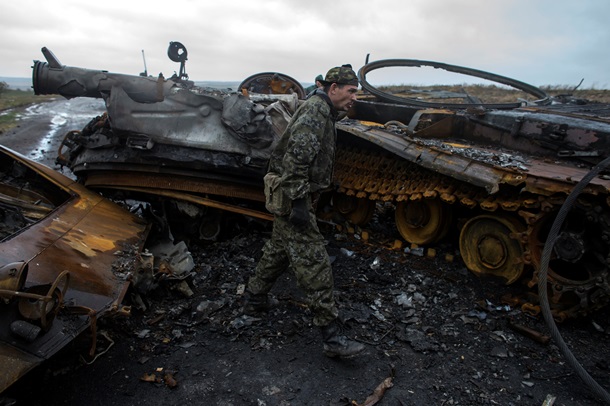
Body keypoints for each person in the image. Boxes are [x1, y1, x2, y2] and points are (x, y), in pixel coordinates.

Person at [243, 64, 364, 358]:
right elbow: (296, 161)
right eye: (350, 92)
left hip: (294, 195)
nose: (353, 98)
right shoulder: (315, 112)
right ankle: (332, 337)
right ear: (332, 88)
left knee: (278, 249)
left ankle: (253, 299)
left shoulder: (324, 110)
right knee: (315, 262)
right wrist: (298, 204)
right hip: (293, 196)